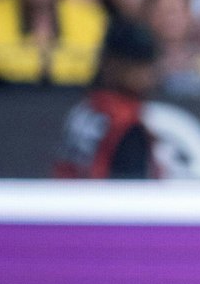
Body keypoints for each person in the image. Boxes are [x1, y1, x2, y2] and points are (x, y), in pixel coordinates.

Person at [52, 18, 159, 178]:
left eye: (149, 63)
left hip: (65, 199)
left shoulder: (84, 108)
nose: (147, 73)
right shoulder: (126, 123)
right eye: (138, 64)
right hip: (99, 200)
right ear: (111, 63)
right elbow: (131, 196)